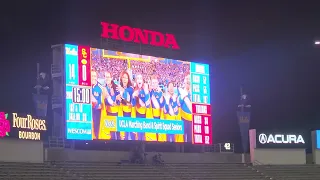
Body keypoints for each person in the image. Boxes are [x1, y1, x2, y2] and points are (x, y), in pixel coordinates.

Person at [132, 73, 151, 141]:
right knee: (138, 133)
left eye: (141, 78)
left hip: (146, 115)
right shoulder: (134, 89)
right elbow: (133, 104)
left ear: (143, 81)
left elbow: (148, 105)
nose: (139, 80)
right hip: (137, 114)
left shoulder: (146, 89)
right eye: (138, 78)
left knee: (143, 134)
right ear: (136, 81)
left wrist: (146, 92)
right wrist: (133, 97)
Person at [117, 71, 134, 140]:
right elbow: (117, 101)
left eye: (126, 78)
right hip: (120, 112)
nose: (124, 79)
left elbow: (129, 100)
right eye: (123, 77)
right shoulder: (118, 88)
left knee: (128, 131)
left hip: (129, 113)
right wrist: (117, 98)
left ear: (128, 79)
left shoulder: (131, 89)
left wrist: (123, 91)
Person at [104, 71, 120, 140]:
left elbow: (119, 101)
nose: (107, 78)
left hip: (116, 113)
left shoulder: (116, 87)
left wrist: (115, 98)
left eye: (108, 77)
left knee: (117, 132)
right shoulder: (103, 88)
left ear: (111, 78)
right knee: (111, 132)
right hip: (107, 113)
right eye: (106, 77)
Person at [177, 74, 193, 143]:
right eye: (186, 79)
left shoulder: (194, 93)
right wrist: (183, 95)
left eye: (189, 79)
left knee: (190, 137)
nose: (187, 81)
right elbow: (178, 103)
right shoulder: (181, 91)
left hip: (192, 119)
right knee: (182, 137)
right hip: (183, 118)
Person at [91, 70, 103, 139]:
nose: (93, 77)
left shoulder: (100, 88)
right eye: (92, 76)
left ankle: (96, 139)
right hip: (88, 110)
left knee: (96, 126)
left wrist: (97, 104)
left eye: (94, 76)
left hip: (96, 111)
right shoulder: (87, 86)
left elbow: (102, 101)